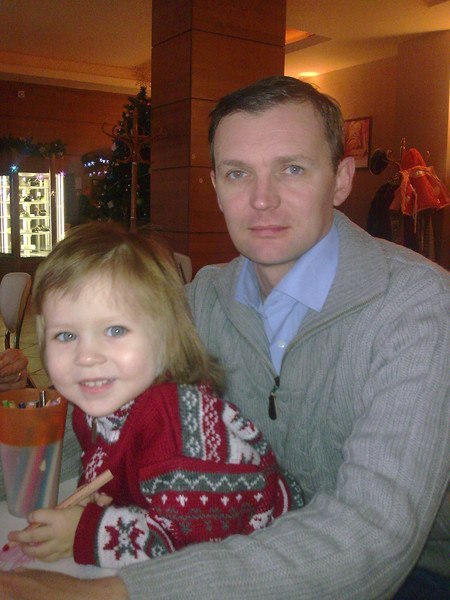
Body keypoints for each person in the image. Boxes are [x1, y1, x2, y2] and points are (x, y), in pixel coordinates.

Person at [0, 75, 448, 599]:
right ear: (216, 186)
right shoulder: (201, 299)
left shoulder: (416, 307)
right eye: (238, 173)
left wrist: (112, 593)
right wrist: (28, 428)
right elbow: (104, 410)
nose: (262, 200)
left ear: (341, 180)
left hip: (412, 574)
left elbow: (373, 536)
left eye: (292, 169)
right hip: (235, 546)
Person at [6, 222, 302, 568]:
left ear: (164, 339)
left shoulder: (174, 422)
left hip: (268, 551)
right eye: (66, 336)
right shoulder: (96, 407)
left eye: (115, 330)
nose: (86, 357)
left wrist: (84, 531)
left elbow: (188, 545)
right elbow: (110, 473)